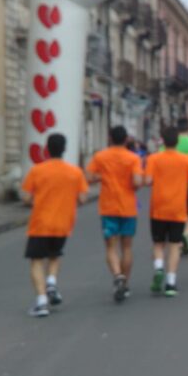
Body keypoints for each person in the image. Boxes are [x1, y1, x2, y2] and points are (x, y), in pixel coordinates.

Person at [21, 133, 89, 317]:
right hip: (63, 223)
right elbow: (83, 198)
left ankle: (42, 302)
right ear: (64, 149)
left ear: (46, 149)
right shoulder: (75, 172)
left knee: (36, 261)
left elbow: (26, 197)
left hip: (41, 223)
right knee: (55, 255)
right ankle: (51, 282)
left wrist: (37, 200)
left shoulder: (37, 170)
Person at [86, 126, 144, 303]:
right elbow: (137, 182)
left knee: (111, 247)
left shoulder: (100, 157)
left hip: (108, 207)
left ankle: (117, 275)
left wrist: (102, 177)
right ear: (126, 139)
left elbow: (88, 177)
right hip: (128, 208)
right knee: (126, 247)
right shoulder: (133, 158)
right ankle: (124, 284)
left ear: (110, 138)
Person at [145, 126, 188, 297]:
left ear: (162, 140)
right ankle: (171, 283)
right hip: (178, 208)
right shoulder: (186, 160)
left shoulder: (154, 158)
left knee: (158, 244)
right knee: (175, 246)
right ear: (177, 141)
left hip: (158, 208)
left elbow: (148, 180)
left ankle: (159, 267)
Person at [164, 118, 188, 256]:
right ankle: (185, 234)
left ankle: (176, 240)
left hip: (169, 186)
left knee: (174, 215)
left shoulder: (167, 144)